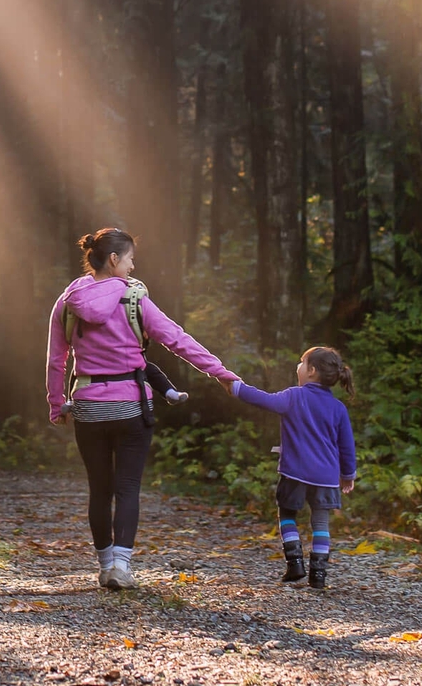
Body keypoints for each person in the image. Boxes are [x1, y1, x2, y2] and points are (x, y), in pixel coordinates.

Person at [47, 227, 239, 590]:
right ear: (115, 259)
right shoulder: (134, 299)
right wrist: (220, 373)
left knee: (99, 489)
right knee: (128, 487)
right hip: (132, 406)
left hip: (88, 406)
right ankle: (121, 566)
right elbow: (177, 340)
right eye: (131, 258)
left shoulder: (67, 300)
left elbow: (57, 360)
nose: (134, 266)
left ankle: (105, 567)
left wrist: (57, 403)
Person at [230, 346, 357, 589]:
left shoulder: (294, 396)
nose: (297, 367)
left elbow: (263, 399)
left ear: (311, 371)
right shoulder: (338, 408)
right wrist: (347, 475)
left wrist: (236, 387)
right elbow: (347, 446)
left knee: (287, 514)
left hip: (295, 472)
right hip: (326, 477)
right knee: (321, 523)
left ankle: (295, 563)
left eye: (301, 362)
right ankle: (318, 575)